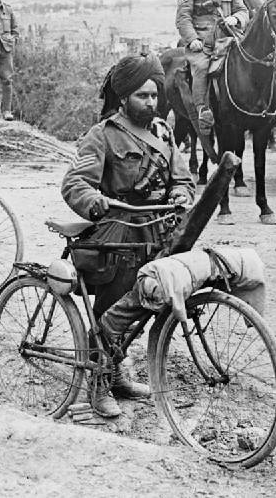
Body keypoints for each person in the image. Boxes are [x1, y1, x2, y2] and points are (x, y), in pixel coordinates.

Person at [61, 53, 196, 417]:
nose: (151, 103)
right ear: (124, 98)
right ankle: (98, 383)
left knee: (144, 308)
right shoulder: (102, 135)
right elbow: (75, 183)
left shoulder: (164, 134)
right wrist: (95, 201)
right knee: (112, 312)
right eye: (142, 97)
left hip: (156, 233)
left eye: (154, 96)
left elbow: (182, 178)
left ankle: (116, 372)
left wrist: (182, 193)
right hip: (118, 235)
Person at [175, 0, 248, 131]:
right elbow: (183, 17)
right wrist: (192, 40)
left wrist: (236, 18)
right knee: (200, 66)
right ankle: (203, 112)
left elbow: (243, 10)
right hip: (203, 41)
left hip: (227, 38)